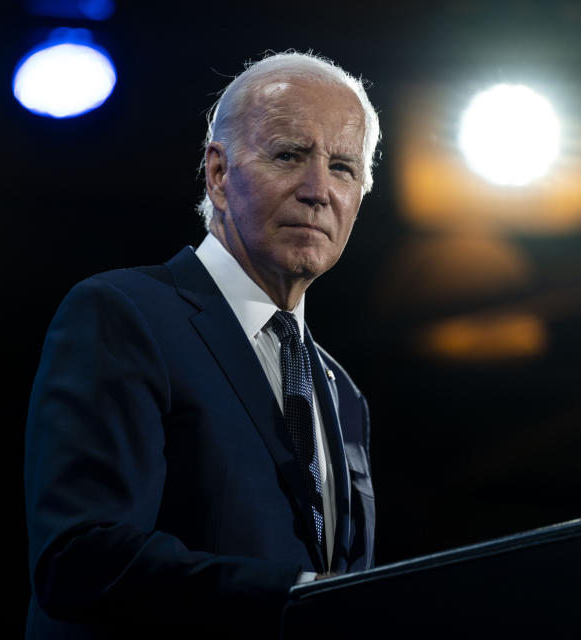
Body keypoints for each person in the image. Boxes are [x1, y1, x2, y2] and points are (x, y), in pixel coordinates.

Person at [24, 51, 380, 638]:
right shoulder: (125, 314)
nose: (319, 190)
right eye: (289, 155)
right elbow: (80, 558)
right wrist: (296, 599)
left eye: (343, 167)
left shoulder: (344, 396)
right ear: (218, 174)